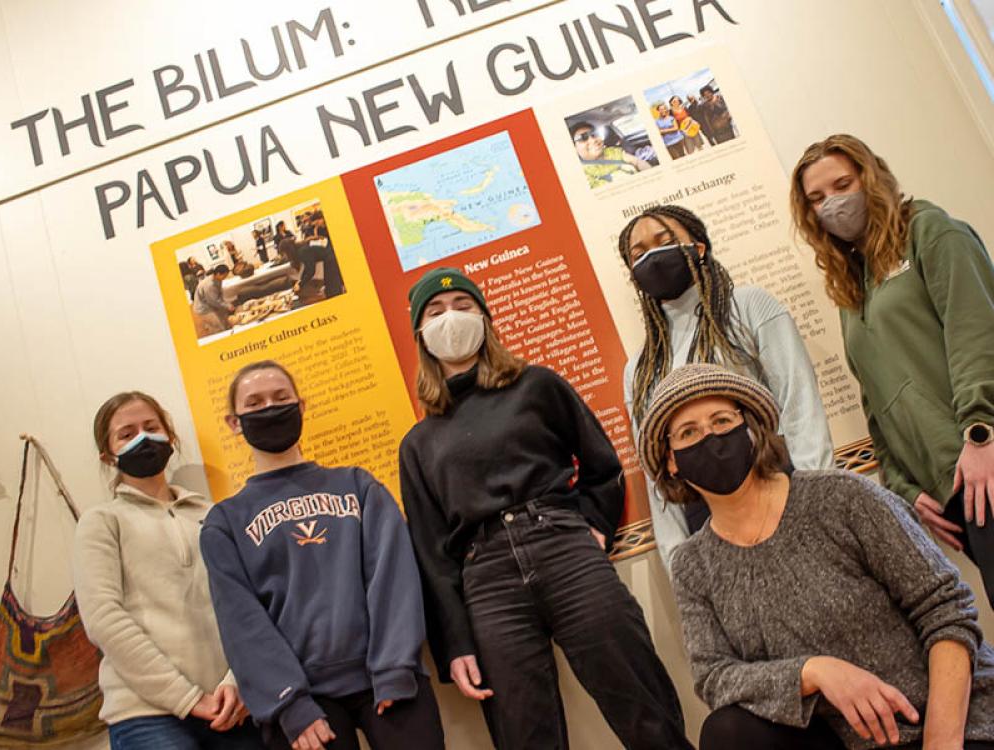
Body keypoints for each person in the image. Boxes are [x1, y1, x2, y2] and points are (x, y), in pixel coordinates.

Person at [398, 267, 692, 750]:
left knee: (639, 696)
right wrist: (457, 644)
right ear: (421, 335)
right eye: (435, 311)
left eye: (463, 306)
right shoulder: (418, 444)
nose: (450, 318)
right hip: (485, 580)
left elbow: (602, 466)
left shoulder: (537, 385)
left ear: (486, 318)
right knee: (523, 729)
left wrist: (595, 527)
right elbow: (433, 555)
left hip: (563, 547)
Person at [637, 363, 994, 750]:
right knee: (726, 732)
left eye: (722, 421)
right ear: (671, 460)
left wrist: (942, 742)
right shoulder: (693, 565)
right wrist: (813, 671)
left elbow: (947, 612)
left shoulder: (842, 498)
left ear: (752, 429)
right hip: (841, 739)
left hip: (948, 724)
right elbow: (714, 675)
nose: (710, 438)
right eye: (688, 432)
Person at [790, 133, 994, 607]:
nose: (832, 204)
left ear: (871, 175)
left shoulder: (929, 231)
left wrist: (981, 432)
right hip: (954, 486)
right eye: (817, 198)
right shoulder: (852, 286)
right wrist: (905, 487)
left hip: (982, 457)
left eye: (842, 184)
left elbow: (976, 333)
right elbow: (876, 402)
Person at [199, 361, 444, 750]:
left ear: (301, 405)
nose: (270, 408)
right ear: (234, 422)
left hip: (385, 677)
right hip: (302, 698)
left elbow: (394, 578)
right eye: (255, 402)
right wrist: (289, 702)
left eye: (281, 398)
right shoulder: (224, 522)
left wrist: (395, 667)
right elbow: (240, 619)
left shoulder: (359, 486)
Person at [618, 204, 833, 569]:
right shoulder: (639, 369)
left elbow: (800, 407)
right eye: (638, 254)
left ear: (698, 248)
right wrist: (679, 563)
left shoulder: (747, 308)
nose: (651, 257)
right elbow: (657, 472)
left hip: (780, 490)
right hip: (704, 521)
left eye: (664, 242)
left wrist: (819, 503)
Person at [73, 392, 263, 750]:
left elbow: (248, 603)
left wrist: (237, 682)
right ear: (107, 454)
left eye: (151, 427)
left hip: (231, 708)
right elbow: (104, 619)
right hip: (145, 714)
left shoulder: (214, 515)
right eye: (126, 434)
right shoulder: (101, 522)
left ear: (170, 437)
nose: (143, 438)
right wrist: (187, 698)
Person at [569, 121, 651, 189]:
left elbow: (637, 162)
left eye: (594, 134)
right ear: (574, 147)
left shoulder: (613, 151)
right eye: (583, 138)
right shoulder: (580, 173)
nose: (593, 140)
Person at [278, 235, 345, 300]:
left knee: (333, 292)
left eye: (283, 254)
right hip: (331, 259)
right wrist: (300, 281)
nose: (284, 257)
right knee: (332, 290)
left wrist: (300, 284)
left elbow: (311, 271)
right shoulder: (301, 249)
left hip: (331, 260)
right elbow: (307, 268)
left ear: (288, 251)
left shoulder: (302, 252)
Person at [191, 264, 235, 337]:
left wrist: (226, 305)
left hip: (210, 304)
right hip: (203, 308)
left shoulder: (217, 278)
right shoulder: (209, 285)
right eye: (224, 275)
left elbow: (218, 295)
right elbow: (213, 301)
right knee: (218, 327)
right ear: (218, 274)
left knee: (224, 319)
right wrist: (227, 305)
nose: (225, 277)